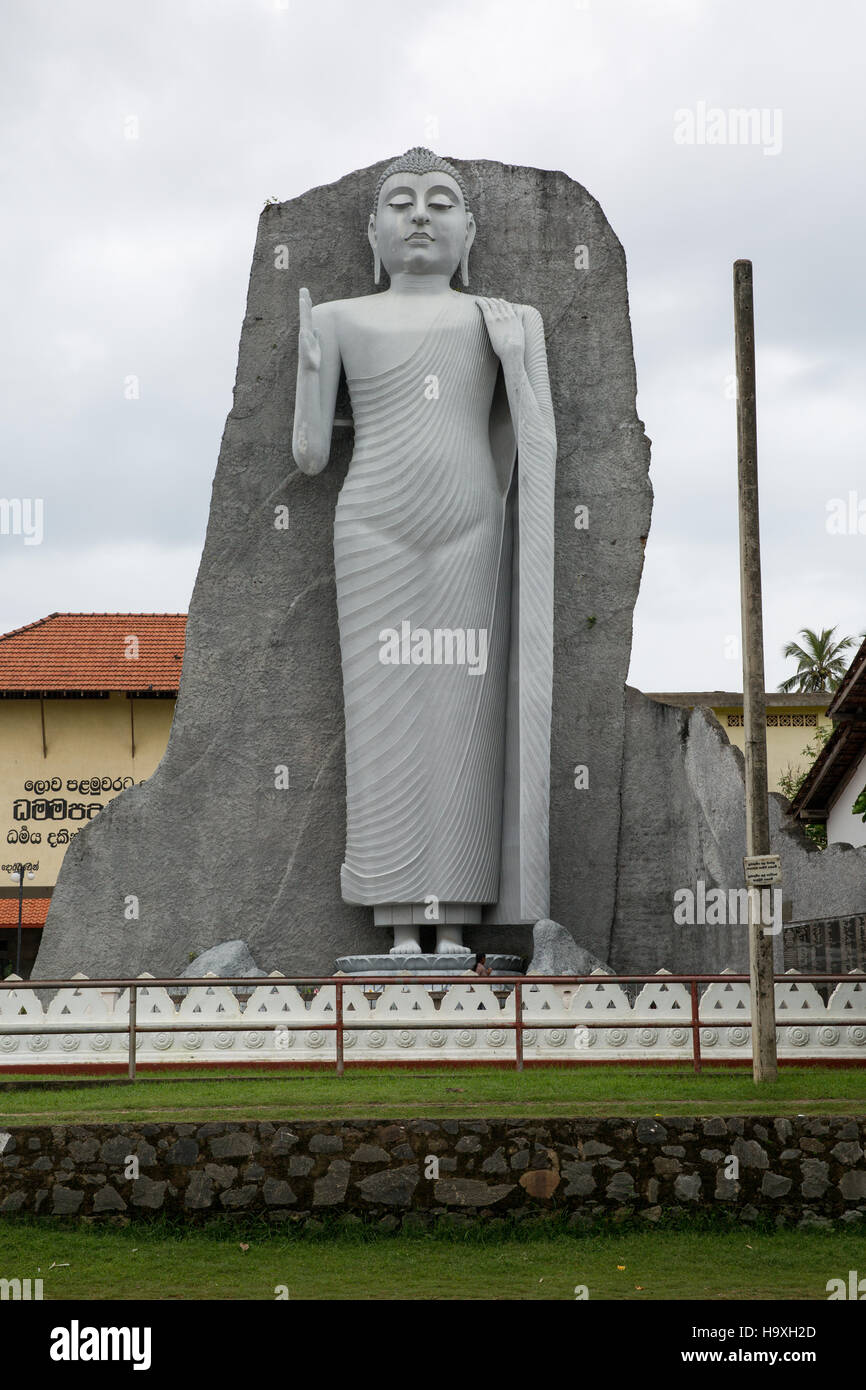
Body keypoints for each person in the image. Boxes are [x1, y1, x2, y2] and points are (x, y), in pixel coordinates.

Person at [292, 148, 556, 957]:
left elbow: (540, 444)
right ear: (372, 232)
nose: (419, 216)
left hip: (471, 526)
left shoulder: (507, 320)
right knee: (383, 722)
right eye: (401, 203)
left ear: (467, 231)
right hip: (372, 527)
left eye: (440, 203)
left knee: (462, 718)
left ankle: (457, 923)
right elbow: (307, 456)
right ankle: (398, 925)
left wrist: (514, 361)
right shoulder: (339, 319)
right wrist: (308, 368)